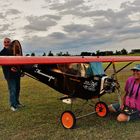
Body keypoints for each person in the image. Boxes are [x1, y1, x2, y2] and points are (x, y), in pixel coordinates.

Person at [0, 38, 23, 111]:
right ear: (3, 43)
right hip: (9, 75)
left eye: (8, 42)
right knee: (12, 90)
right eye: (5, 42)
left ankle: (17, 103)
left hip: (17, 74)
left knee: (17, 89)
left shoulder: (13, 51)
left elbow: (19, 62)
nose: (6, 43)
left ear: (10, 43)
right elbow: (3, 64)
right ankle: (13, 105)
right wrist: (10, 68)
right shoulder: (2, 52)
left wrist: (21, 71)